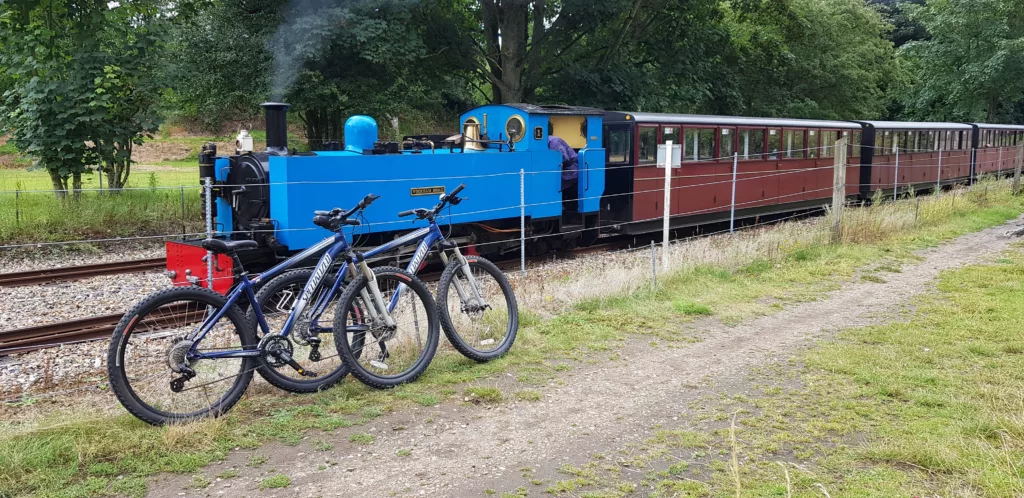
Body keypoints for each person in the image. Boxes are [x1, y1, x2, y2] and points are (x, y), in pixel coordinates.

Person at [548, 135, 579, 212]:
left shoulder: (554, 142)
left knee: (552, 185)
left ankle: (560, 207)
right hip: (561, 170)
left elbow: (563, 158)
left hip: (570, 170)